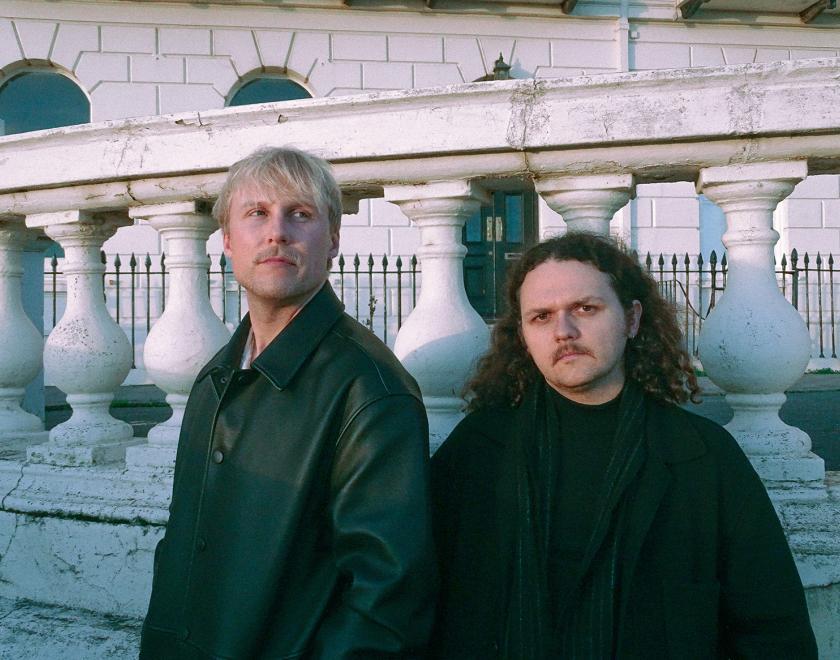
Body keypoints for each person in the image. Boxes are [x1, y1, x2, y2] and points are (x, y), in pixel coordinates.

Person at [430, 232, 817, 659]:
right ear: (522, 336)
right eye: (541, 316)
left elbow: (773, 628)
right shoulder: (478, 452)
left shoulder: (702, 457)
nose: (564, 331)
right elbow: (421, 599)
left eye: (585, 308)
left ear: (632, 320)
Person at [140, 147, 436, 659]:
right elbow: (183, 549)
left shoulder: (371, 391)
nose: (277, 231)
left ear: (333, 241)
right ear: (229, 242)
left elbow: (385, 602)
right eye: (257, 213)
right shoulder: (215, 376)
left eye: (300, 214)